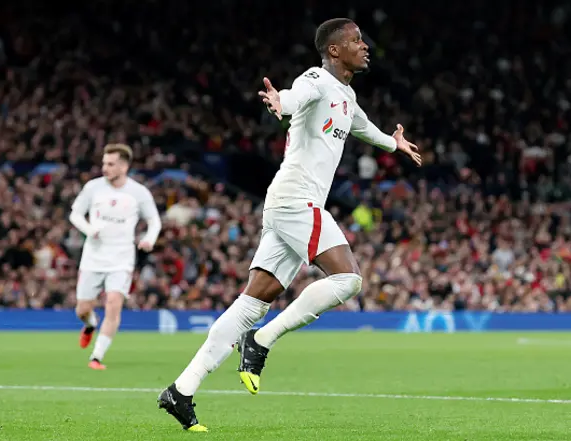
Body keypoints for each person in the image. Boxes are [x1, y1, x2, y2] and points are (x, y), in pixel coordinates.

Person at [157, 18, 421, 432]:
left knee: (251, 304)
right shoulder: (316, 79)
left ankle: (181, 390)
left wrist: (394, 142)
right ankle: (261, 341)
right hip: (297, 199)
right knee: (348, 280)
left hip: (288, 203)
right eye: (356, 40)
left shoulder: (346, 95)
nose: (365, 45)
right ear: (335, 50)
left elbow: (363, 128)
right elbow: (298, 95)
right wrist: (281, 101)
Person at [69, 143, 161, 370]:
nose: (104, 167)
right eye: (104, 163)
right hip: (93, 257)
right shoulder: (93, 188)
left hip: (121, 259)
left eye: (110, 164)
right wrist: (89, 230)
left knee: (113, 304)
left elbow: (154, 221)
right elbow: (75, 213)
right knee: (82, 308)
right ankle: (90, 324)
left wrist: (150, 239)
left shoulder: (138, 192)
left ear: (123, 166)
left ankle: (96, 357)